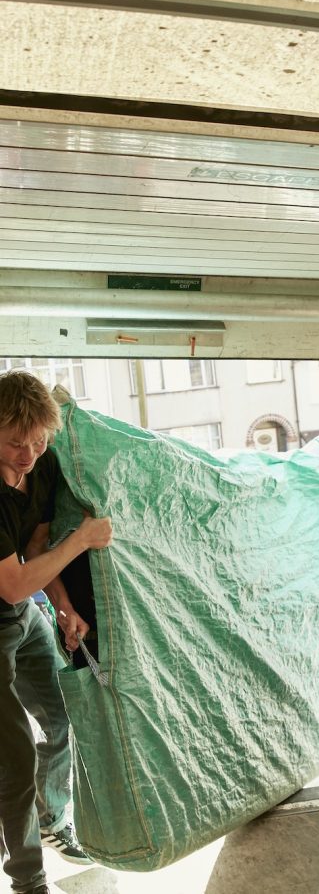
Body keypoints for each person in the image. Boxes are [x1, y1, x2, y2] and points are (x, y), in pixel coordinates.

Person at [0, 370, 113, 894]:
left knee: (62, 716)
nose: (28, 455)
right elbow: (16, 583)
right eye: (14, 443)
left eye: (38, 442)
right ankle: (28, 878)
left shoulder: (40, 469)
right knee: (14, 758)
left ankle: (49, 819)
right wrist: (86, 540)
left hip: (24, 620)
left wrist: (64, 608)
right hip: (5, 612)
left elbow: (40, 551)